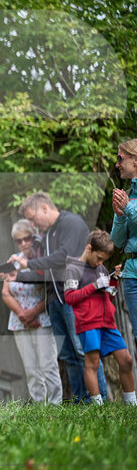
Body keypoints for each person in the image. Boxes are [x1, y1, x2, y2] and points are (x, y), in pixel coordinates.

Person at [6, 192, 107, 403]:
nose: (32, 224)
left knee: (84, 351)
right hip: (56, 300)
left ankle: (100, 401)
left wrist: (29, 264)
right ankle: (81, 402)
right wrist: (19, 276)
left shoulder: (71, 223)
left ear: (44, 207)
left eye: (33, 218)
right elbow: (49, 273)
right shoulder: (48, 233)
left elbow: (66, 256)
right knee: (69, 355)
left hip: (76, 297)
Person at [63, 230, 136, 405]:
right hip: (88, 323)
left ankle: (131, 403)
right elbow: (70, 297)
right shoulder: (73, 269)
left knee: (126, 360)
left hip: (108, 324)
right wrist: (94, 285)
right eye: (99, 258)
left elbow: (107, 297)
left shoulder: (101, 268)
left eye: (103, 260)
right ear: (89, 249)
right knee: (93, 363)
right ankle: (97, 406)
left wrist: (113, 281)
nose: (100, 263)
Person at [0, 219, 62, 403]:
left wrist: (33, 312)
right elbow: (5, 292)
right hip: (20, 321)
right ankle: (38, 407)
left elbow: (51, 291)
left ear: (34, 237)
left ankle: (55, 406)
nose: (24, 243)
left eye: (27, 238)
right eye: (19, 240)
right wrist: (23, 315)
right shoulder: (13, 259)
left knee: (48, 365)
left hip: (43, 318)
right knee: (31, 369)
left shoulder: (42, 260)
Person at [110, 138, 137, 340]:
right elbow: (117, 242)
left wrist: (127, 208)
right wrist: (119, 216)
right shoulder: (126, 195)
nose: (117, 164)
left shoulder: (127, 201)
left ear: (135, 160)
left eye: (120, 158)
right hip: (130, 275)